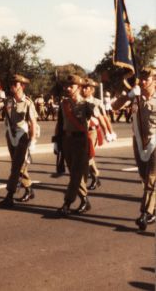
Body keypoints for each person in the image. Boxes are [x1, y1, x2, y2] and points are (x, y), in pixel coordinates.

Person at [113, 67, 156, 230]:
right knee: (144, 178)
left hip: (155, 141)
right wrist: (129, 95)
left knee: (152, 178)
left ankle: (145, 213)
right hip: (139, 141)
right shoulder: (135, 95)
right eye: (142, 78)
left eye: (147, 78)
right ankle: (153, 207)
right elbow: (115, 107)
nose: (143, 81)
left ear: (155, 80)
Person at [53, 74, 96, 217]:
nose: (67, 88)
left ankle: (67, 203)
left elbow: (96, 118)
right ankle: (85, 200)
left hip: (80, 142)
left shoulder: (86, 104)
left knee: (76, 174)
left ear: (79, 88)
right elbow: (59, 123)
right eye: (66, 86)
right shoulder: (64, 103)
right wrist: (56, 142)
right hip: (67, 140)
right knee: (74, 174)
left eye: (71, 86)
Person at [0, 74, 38, 208]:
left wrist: (32, 140)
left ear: (22, 86)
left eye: (15, 84)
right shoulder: (8, 101)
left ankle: (9, 195)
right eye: (11, 84)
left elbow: (33, 122)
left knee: (16, 166)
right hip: (10, 135)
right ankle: (29, 189)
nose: (12, 86)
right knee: (18, 164)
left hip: (22, 136)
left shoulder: (28, 103)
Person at [81, 78, 116, 191]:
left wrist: (109, 132)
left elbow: (104, 118)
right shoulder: (78, 100)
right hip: (80, 131)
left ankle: (93, 176)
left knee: (87, 155)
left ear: (91, 90)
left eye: (86, 87)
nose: (83, 89)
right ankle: (95, 175)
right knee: (85, 155)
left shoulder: (97, 102)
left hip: (92, 131)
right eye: (82, 87)